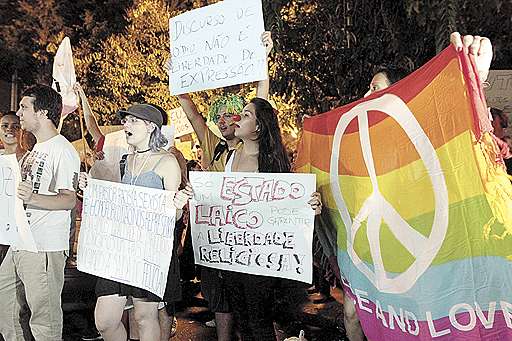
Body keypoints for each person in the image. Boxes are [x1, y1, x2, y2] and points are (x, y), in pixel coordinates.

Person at [339, 33, 493, 341]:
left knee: (407, 321)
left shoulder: (418, 139)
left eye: (375, 87)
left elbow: (461, 139)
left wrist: (478, 76)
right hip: (369, 252)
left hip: (410, 254)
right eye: (368, 87)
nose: (366, 94)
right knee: (353, 313)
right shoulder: (356, 144)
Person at [174, 31, 273, 341]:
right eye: (217, 117)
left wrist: (263, 61)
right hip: (218, 238)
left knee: (255, 315)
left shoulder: (253, 149)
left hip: (250, 240)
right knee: (223, 299)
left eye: (229, 116)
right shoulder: (215, 147)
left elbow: (263, 106)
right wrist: (177, 78)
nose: (221, 122)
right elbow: (190, 111)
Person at [79, 103, 192, 341]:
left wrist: (179, 205)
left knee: (144, 317)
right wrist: (89, 187)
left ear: (151, 126)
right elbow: (112, 201)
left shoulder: (167, 162)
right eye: (125, 120)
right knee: (106, 321)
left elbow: (174, 216)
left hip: (149, 251)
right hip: (120, 250)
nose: (125, 125)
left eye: (132, 121)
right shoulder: (123, 160)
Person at [221, 97, 322, 341]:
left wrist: (310, 205)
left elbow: (290, 206)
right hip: (234, 254)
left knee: (259, 321)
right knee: (242, 320)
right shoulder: (230, 158)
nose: (237, 118)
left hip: (260, 257)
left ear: (258, 126)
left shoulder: (273, 165)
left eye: (245, 115)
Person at [0, 84, 80, 340]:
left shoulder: (63, 150)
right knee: (6, 307)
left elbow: (68, 200)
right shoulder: (35, 150)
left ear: (43, 112)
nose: (19, 114)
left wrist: (32, 197)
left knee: (44, 319)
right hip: (21, 241)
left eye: (24, 107)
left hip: (44, 246)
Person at [0, 113, 29, 267]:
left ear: (21, 131)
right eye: (5, 125)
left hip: (19, 234)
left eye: (15, 126)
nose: (9, 129)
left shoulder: (30, 160)